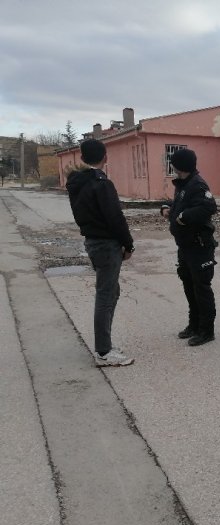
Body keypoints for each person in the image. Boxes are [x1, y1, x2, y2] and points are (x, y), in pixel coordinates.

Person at [66, 139, 135, 366]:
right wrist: (128, 244)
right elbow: (115, 217)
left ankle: (105, 346)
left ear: (82, 157)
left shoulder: (77, 181)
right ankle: (104, 351)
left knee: (110, 292)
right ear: (105, 157)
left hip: (93, 242)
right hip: (107, 245)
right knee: (106, 295)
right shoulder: (101, 183)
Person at [160, 148, 218, 346]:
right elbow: (180, 202)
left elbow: (209, 207)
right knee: (189, 285)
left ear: (180, 165)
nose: (171, 166)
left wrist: (184, 217)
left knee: (201, 287)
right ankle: (194, 324)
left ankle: (206, 330)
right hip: (185, 246)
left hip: (199, 246)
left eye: (173, 163)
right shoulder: (184, 184)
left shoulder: (198, 184)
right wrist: (167, 207)